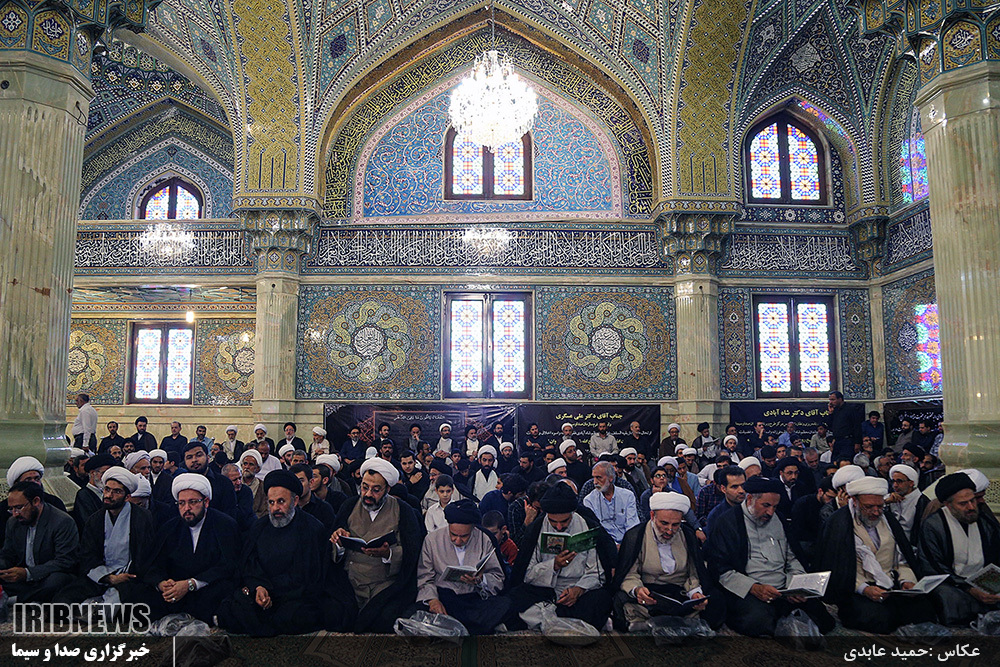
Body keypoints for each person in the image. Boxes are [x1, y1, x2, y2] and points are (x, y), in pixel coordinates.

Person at [706, 476, 834, 637]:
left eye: (775, 506)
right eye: (766, 505)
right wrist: (754, 588)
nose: (770, 512)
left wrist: (795, 584)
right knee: (757, 621)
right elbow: (721, 569)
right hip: (750, 589)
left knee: (822, 618)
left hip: (784, 587)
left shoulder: (779, 518)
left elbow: (792, 557)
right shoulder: (727, 522)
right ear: (750, 499)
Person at [816, 477, 935, 633]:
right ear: (854, 501)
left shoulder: (888, 520)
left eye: (880, 506)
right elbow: (836, 567)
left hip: (890, 584)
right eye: (869, 507)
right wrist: (864, 589)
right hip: (855, 588)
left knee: (926, 608)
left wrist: (906, 580)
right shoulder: (838, 523)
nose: (876, 512)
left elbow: (901, 559)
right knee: (878, 618)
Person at [217, 470, 327, 635]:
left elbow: (309, 576)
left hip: (294, 595)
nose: (275, 508)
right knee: (231, 607)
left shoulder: (312, 529)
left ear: (295, 501)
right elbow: (250, 563)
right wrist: (258, 586)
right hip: (262, 590)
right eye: (271, 502)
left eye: (281, 501)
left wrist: (271, 592)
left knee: (297, 615)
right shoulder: (260, 527)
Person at [329, 457, 424, 633]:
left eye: (376, 490)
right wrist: (339, 543)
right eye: (365, 487)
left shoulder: (403, 510)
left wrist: (388, 554)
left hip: (384, 584)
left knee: (386, 618)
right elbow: (332, 550)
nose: (368, 494)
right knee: (333, 613)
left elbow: (413, 553)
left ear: (387, 489)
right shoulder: (349, 505)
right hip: (351, 581)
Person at [507, 483, 615, 631]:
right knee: (515, 598)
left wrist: (579, 589)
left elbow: (597, 571)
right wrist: (554, 565)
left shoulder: (586, 525)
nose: (558, 527)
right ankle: (570, 621)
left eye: (564, 521)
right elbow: (527, 573)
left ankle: (549, 620)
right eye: (553, 521)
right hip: (545, 589)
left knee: (601, 600)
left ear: (572, 513)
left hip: (580, 588)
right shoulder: (536, 529)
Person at [612, 492, 720, 631]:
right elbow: (629, 573)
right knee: (621, 599)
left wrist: (694, 593)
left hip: (679, 592)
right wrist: (638, 590)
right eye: (664, 523)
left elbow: (693, 572)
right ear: (652, 516)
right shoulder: (636, 536)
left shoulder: (687, 535)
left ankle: (652, 622)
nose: (669, 530)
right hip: (649, 592)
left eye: (675, 525)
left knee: (716, 601)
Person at [55, 467, 155, 604]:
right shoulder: (95, 520)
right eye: (107, 489)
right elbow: (87, 555)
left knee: (126, 600)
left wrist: (123, 576)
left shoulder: (142, 518)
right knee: (63, 600)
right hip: (100, 575)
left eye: (116, 492)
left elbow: (145, 555)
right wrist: (108, 577)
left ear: (127, 497)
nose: (108, 495)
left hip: (130, 577)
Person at [416, 499, 510, 634]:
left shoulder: (484, 539)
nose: (458, 540)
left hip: (473, 598)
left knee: (505, 604)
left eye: (464, 536)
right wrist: (432, 600)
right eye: (453, 535)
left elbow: (497, 577)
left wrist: (481, 579)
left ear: (473, 528)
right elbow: (425, 577)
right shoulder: (432, 540)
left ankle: (454, 625)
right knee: (416, 611)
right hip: (445, 596)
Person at [920, 472, 1000, 625]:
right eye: (963, 503)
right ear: (948, 505)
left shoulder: (983, 519)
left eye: (972, 501)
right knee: (950, 598)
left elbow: (996, 553)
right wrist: (970, 589)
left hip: (983, 578)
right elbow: (934, 566)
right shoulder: (934, 525)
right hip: (952, 582)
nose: (971, 507)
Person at [0, 481, 78, 603]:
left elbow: (65, 561)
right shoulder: (13, 522)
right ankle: (30, 598)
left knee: (56, 581)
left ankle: (15, 600)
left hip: (48, 575)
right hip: (23, 579)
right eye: (11, 509)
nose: (15, 514)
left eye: (19, 508)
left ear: (36, 501)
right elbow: (8, 554)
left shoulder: (62, 522)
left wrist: (28, 573)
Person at [183, 441, 239, 522]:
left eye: (199, 455)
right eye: (189, 457)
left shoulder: (224, 483)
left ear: (208, 458)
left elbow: (230, 515)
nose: (194, 460)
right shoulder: (181, 484)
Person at [583, 461, 639, 544]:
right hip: (605, 545)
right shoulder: (589, 500)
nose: (595, 482)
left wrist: (626, 545)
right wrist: (613, 546)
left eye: (599, 477)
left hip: (628, 543)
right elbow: (595, 531)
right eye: (594, 477)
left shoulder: (627, 496)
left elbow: (632, 526)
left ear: (611, 478)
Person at [789, 476, 836, 563]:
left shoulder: (834, 506)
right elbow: (798, 532)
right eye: (829, 497)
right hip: (808, 544)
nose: (831, 501)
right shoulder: (803, 504)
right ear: (820, 492)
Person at [885, 463, 929, 546]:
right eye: (893, 481)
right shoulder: (890, 498)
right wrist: (886, 502)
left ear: (911, 483)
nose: (895, 485)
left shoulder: (922, 501)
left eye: (899, 481)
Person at [72, 454, 116, 533]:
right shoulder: (83, 495)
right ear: (92, 473)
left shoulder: (110, 493)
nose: (107, 477)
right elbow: (89, 523)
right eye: (104, 473)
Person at [703, 466, 746, 537]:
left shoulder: (754, 509)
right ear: (723, 489)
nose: (741, 491)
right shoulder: (716, 516)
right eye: (734, 487)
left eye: (743, 485)